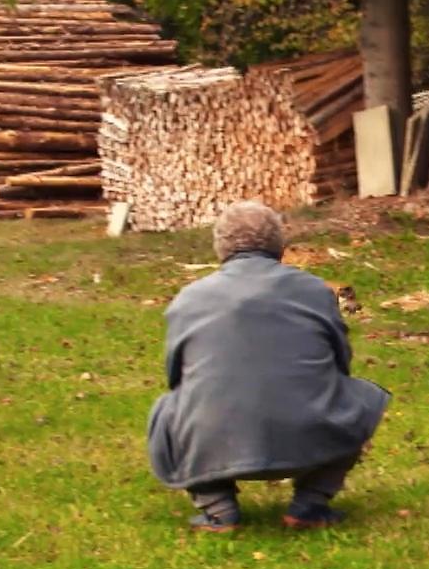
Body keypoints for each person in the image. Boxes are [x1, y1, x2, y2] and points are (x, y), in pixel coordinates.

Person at [147, 202, 390, 531]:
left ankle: (216, 507)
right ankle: (310, 504)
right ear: (280, 246)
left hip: (213, 437)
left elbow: (176, 375)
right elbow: (340, 362)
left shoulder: (188, 299)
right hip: (308, 432)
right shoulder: (315, 291)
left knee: (167, 410)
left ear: (220, 246)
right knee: (366, 399)